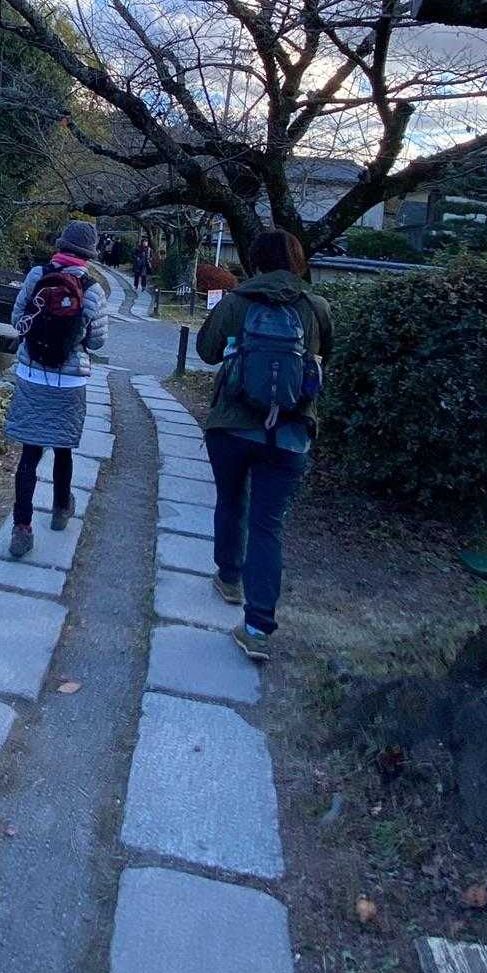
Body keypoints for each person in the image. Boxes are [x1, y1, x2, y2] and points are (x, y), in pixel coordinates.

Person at [195, 228, 332, 663]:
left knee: (231, 500)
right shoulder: (316, 307)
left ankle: (229, 577)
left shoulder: (237, 301)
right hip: (290, 434)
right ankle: (256, 628)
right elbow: (325, 358)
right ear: (297, 262)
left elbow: (206, 351)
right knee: (268, 525)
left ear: (254, 260)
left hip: (232, 427)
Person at [5, 220, 109, 559]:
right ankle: (62, 509)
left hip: (32, 374)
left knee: (30, 452)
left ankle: (22, 528)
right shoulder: (93, 290)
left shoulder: (38, 275)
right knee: (63, 449)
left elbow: (16, 319)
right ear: (89, 254)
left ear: (61, 245)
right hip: (70, 381)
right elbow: (97, 341)